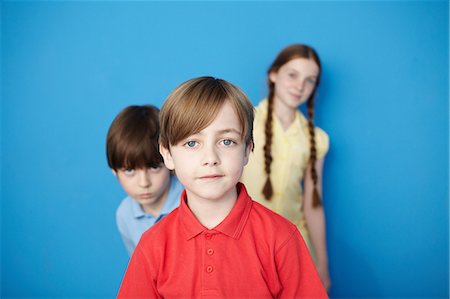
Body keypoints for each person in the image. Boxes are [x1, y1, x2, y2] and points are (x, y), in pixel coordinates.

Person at [117, 77, 327, 298]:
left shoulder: (282, 237)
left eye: (227, 141)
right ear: (167, 154)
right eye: (192, 143)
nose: (210, 158)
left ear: (247, 150)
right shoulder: (152, 246)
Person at [240, 44, 331, 290]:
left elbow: (314, 204)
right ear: (274, 74)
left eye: (309, 80)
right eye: (292, 74)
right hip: (246, 244)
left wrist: (322, 263)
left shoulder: (317, 139)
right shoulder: (244, 120)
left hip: (296, 247)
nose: (300, 86)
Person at [106, 105, 183, 256]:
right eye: (129, 171)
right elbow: (142, 272)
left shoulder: (193, 199)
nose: (144, 183)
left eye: (154, 167)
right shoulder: (125, 214)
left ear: (169, 159)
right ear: (115, 171)